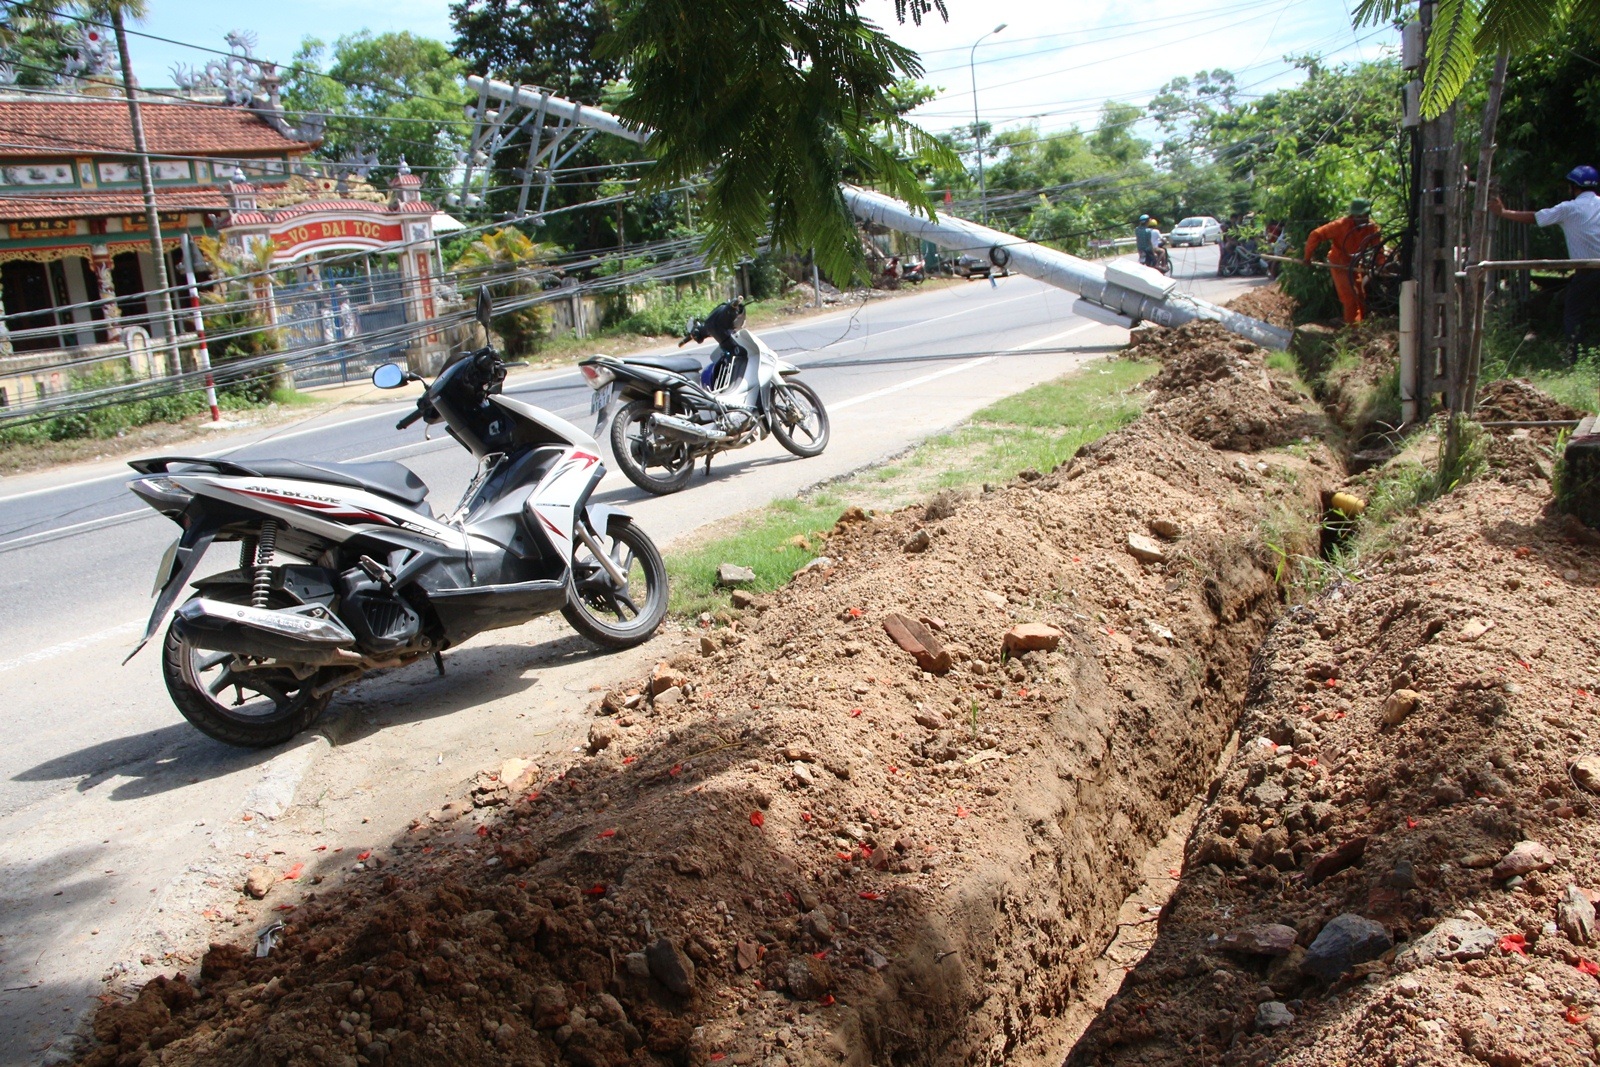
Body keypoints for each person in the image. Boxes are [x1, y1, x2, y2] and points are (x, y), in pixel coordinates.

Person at [1491, 165, 1600, 357]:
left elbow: (1536, 218)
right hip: (1591, 269)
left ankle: (1577, 357)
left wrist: (1503, 212)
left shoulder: (1569, 208)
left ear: (1573, 187)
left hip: (1588, 271)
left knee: (1574, 313)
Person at [1303, 199, 1384, 325]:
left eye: (1366, 215)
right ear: (1353, 215)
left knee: (1361, 297)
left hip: (1355, 264)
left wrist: (1381, 264)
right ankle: (1351, 331)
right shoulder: (1340, 225)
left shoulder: (1371, 228)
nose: (1364, 218)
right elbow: (1316, 234)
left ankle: (1360, 326)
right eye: (1360, 216)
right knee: (1349, 298)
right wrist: (1307, 257)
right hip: (1339, 264)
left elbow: (1378, 249)